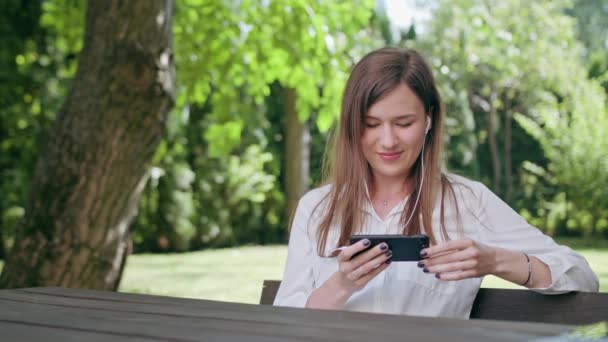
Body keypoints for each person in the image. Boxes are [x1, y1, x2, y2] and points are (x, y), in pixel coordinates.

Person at [273, 47, 599, 318]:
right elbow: (284, 322)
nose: (387, 140)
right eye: (371, 124)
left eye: (403, 123)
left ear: (429, 120)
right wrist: (342, 284)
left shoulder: (469, 202)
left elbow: (581, 277)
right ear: (351, 126)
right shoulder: (317, 208)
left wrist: (495, 261)